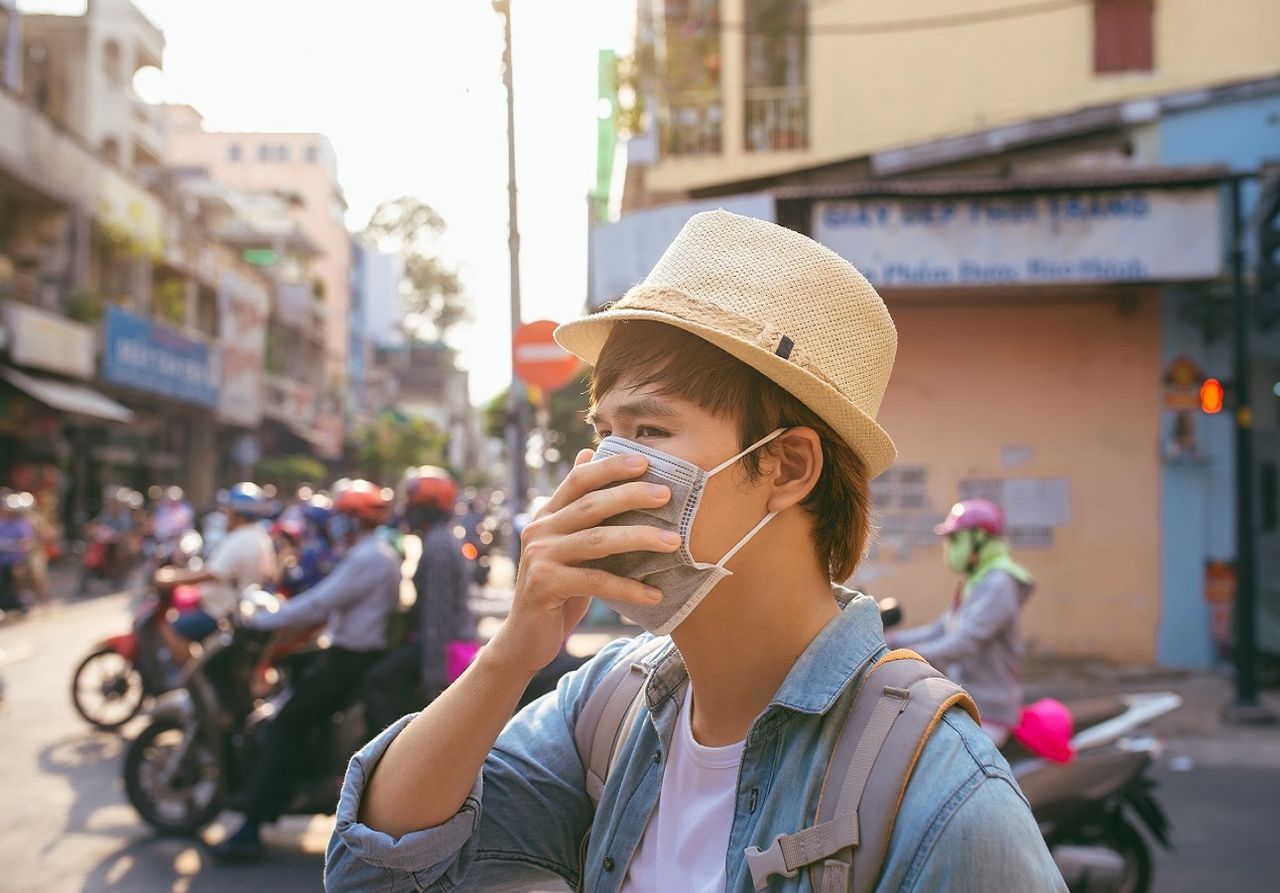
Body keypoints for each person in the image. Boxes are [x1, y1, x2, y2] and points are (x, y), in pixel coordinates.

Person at [325, 212, 1064, 891]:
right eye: (603, 432)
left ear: (788, 466)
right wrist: (514, 649)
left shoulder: (943, 799)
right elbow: (373, 872)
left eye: (648, 433)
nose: (603, 470)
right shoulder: (607, 704)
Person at [213, 479, 402, 862]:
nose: (334, 524)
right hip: (345, 652)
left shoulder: (370, 557)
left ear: (353, 521)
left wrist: (266, 621)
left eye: (341, 517)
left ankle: (251, 828)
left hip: (351, 660)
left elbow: (319, 603)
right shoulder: (370, 553)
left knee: (287, 725)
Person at [888, 498, 1035, 746]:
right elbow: (941, 628)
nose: (949, 548)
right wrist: (892, 640)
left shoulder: (998, 583)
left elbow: (963, 643)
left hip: (988, 711)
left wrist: (905, 657)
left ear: (979, 540)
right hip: (967, 699)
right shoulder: (976, 580)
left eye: (955, 540)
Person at [364, 466, 472, 736]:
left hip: (442, 649)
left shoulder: (438, 546)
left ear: (428, 507)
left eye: (413, 503)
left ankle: (384, 757)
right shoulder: (437, 539)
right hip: (433, 643)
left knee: (379, 681)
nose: (406, 510)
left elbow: (438, 616)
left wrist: (432, 679)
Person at [155, 483, 278, 667]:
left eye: (228, 510)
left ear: (237, 513)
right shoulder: (260, 536)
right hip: (236, 609)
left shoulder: (240, 540)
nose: (225, 514)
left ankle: (194, 680)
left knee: (171, 629)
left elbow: (210, 574)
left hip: (222, 612)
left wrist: (171, 578)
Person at [0, 492, 35, 616]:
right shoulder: (2, 522)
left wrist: (10, 545)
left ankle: (23, 606)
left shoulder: (22, 523)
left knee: (16, 586)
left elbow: (26, 544)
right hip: (3, 560)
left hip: (16, 561)